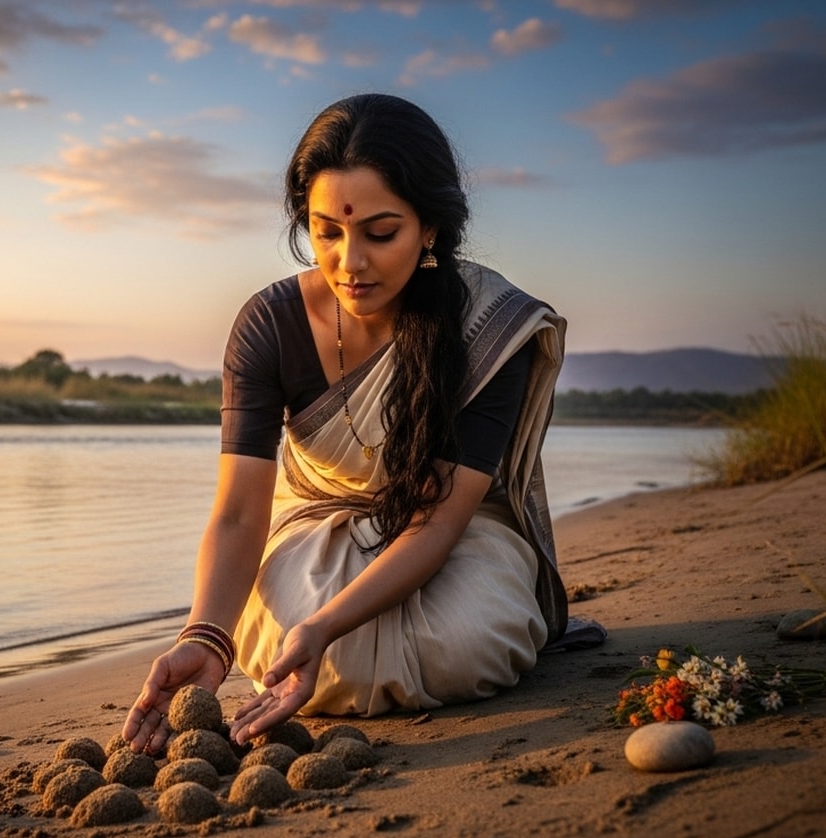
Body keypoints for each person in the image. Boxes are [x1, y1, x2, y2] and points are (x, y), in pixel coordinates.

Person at [123, 93, 571, 753]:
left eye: (379, 233)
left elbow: (437, 519)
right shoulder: (269, 326)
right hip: (316, 526)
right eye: (327, 230)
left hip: (452, 533)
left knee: (467, 642)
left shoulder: (486, 328)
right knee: (278, 635)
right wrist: (205, 637)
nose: (349, 262)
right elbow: (241, 514)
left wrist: (326, 627)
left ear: (431, 229)